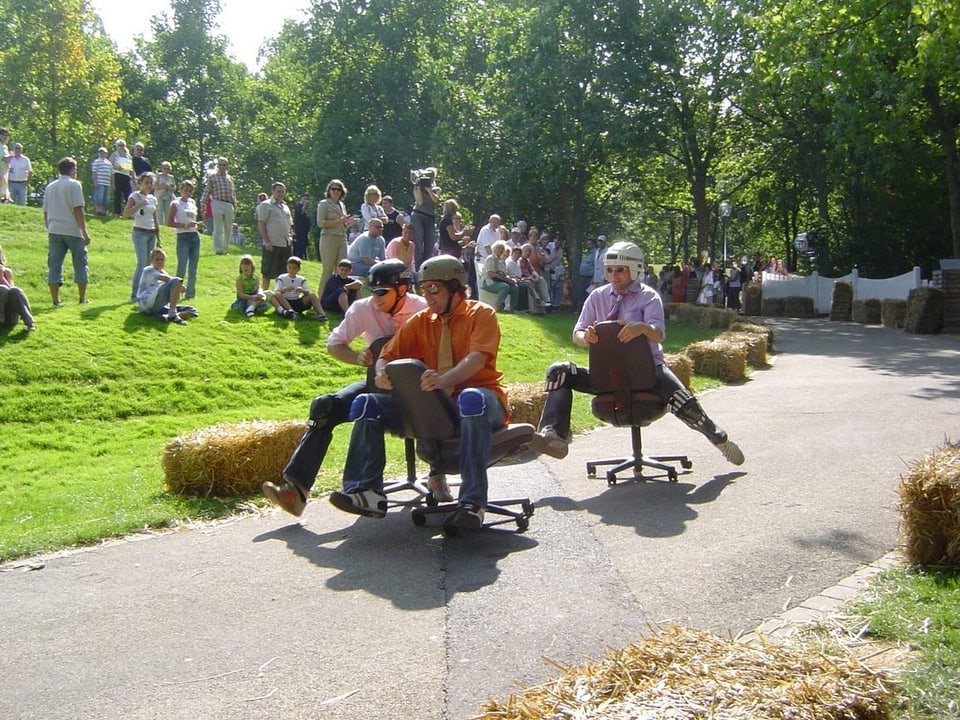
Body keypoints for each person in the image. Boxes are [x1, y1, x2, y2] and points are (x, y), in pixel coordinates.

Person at [327, 255, 508, 529]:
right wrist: (381, 373)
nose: (427, 295)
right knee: (366, 403)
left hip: (483, 397)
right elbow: (387, 355)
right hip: (436, 403)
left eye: (434, 288)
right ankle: (366, 492)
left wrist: (444, 378)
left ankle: (472, 504)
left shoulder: (481, 314)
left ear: (455, 287)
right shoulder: (421, 319)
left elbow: (477, 360)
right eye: (423, 289)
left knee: (471, 398)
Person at [529, 241, 744, 467]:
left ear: (635, 269)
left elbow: (658, 334)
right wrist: (586, 337)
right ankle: (553, 436)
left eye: (620, 270)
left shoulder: (648, 296)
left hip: (647, 369)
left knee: (682, 399)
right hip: (606, 372)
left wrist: (641, 328)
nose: (614, 275)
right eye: (609, 270)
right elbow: (577, 332)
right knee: (558, 372)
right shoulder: (597, 297)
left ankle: (717, 437)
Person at [263, 259, 431, 516]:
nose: (374, 297)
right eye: (370, 290)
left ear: (402, 289)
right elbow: (334, 344)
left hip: (417, 388)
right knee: (325, 406)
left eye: (381, 292)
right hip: (376, 383)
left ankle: (382, 488)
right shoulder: (363, 308)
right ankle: (295, 492)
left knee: (372, 405)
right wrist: (357, 357)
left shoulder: (423, 308)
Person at [42, 157, 92, 305]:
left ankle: (55, 300)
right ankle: (82, 298)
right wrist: (84, 231)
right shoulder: (75, 185)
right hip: (72, 230)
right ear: (71, 169)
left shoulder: (50, 186)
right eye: (75, 169)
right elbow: (78, 209)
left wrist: (48, 226)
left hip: (54, 229)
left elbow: (45, 211)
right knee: (80, 263)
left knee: (54, 265)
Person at [122, 172, 160, 303]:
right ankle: (134, 295)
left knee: (149, 265)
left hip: (151, 233)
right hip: (140, 232)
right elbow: (125, 214)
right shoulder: (135, 196)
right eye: (146, 182)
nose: (149, 185)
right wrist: (138, 205)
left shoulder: (153, 199)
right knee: (141, 264)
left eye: (151, 183)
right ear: (140, 183)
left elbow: (155, 218)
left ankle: (145, 293)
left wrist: (158, 236)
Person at [167, 179, 202, 300]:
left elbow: (193, 220)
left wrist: (197, 224)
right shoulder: (175, 203)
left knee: (193, 267)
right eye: (185, 190)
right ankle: (176, 292)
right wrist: (185, 226)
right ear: (180, 190)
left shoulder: (192, 202)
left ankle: (190, 294)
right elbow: (169, 222)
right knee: (182, 266)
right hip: (183, 236)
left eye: (190, 191)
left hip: (194, 236)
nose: (187, 193)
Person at [316, 179, 354, 289]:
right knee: (328, 269)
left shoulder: (342, 205)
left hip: (341, 238)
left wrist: (348, 223)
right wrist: (340, 221)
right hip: (328, 238)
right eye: (333, 189)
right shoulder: (324, 204)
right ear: (329, 190)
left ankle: (337, 297)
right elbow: (320, 223)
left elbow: (342, 223)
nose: (336, 191)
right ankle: (322, 298)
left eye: (339, 189)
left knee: (341, 269)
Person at [137, 247, 189, 324]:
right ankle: (172, 314)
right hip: (148, 304)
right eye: (157, 259)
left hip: (160, 304)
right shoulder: (148, 270)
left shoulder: (163, 271)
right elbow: (167, 279)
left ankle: (166, 316)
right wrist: (179, 285)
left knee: (191, 310)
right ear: (152, 261)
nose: (160, 262)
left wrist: (177, 285)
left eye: (162, 260)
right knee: (177, 280)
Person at [257, 182, 293, 291]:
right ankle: (264, 293)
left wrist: (290, 238)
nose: (281, 193)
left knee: (283, 273)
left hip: (285, 243)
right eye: (278, 191)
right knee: (268, 271)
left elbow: (290, 224)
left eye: (283, 191)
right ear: (273, 192)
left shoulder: (285, 207)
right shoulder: (265, 205)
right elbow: (261, 223)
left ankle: (279, 294)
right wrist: (266, 241)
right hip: (272, 243)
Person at [268, 256, 327, 321]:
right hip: (284, 301)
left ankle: (322, 315)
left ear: (298, 269)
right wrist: (285, 289)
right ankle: (291, 312)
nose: (291, 270)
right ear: (287, 267)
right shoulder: (281, 278)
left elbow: (307, 292)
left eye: (294, 268)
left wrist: (302, 290)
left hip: (296, 301)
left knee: (312, 295)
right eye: (289, 267)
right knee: (278, 294)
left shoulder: (301, 279)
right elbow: (276, 292)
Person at [202, 156, 236, 255]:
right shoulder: (213, 176)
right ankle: (218, 249)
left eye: (224, 165)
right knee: (218, 227)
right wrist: (203, 203)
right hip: (217, 202)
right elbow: (207, 191)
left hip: (228, 203)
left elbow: (232, 193)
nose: (222, 166)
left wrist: (235, 205)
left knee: (228, 228)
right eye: (220, 164)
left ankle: (225, 249)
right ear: (217, 165)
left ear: (227, 166)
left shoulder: (229, 178)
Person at [0, 245, 36, 332]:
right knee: (2, 289)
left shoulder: (7, 272)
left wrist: (2, 278)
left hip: (9, 316)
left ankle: (29, 322)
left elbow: (11, 291)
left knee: (15, 290)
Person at [410, 167, 440, 270]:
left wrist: (429, 190)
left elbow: (435, 200)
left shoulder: (436, 189)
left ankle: (426, 268)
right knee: (418, 244)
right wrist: (419, 186)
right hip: (418, 216)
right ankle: (418, 269)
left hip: (430, 217)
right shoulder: (417, 186)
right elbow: (420, 202)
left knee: (430, 244)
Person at [482, 240, 520, 312]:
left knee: (514, 287)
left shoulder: (502, 261)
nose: (500, 250)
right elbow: (491, 274)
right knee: (505, 286)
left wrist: (511, 279)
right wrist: (506, 279)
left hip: (498, 281)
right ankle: (498, 306)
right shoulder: (491, 258)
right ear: (494, 248)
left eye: (502, 249)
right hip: (488, 282)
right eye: (498, 248)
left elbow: (504, 274)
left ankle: (512, 308)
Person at [110, 139, 134, 215]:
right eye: (119, 145)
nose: (121, 147)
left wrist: (134, 177)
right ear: (117, 146)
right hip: (117, 175)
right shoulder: (115, 154)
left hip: (126, 176)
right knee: (118, 194)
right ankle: (117, 212)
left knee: (128, 194)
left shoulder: (128, 155)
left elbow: (131, 168)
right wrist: (117, 167)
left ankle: (128, 212)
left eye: (123, 145)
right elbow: (110, 164)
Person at [90, 147, 113, 217]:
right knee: (99, 197)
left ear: (106, 154)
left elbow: (112, 174)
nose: (102, 154)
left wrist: (112, 183)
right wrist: (95, 182)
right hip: (100, 182)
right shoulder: (96, 162)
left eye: (104, 153)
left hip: (107, 183)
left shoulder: (109, 163)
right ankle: (98, 210)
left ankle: (103, 211)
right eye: (101, 153)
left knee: (106, 198)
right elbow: (94, 172)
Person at [292, 194, 312, 259]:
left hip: (305, 231)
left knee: (304, 245)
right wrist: (304, 206)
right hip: (298, 231)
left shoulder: (307, 209)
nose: (306, 201)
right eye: (304, 199)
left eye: (307, 199)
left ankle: (304, 257)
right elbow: (299, 215)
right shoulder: (298, 206)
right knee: (299, 245)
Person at [0, 127, 9, 202]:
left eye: (6, 135)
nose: (5, 137)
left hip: (5, 171)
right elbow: (2, 158)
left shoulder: (5, 146)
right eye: (3, 135)